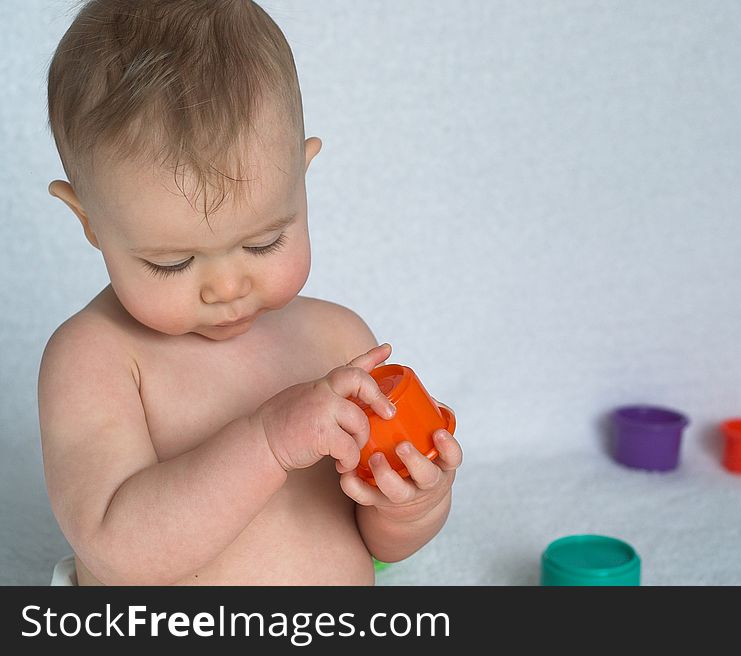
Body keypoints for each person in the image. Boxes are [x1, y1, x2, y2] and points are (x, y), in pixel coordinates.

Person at [39, 0, 462, 585]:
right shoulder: (96, 358)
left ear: (302, 176)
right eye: (173, 261)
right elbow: (118, 551)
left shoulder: (338, 340)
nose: (227, 287)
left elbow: (372, 542)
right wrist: (267, 441)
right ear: (89, 221)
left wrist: (409, 505)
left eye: (263, 243)